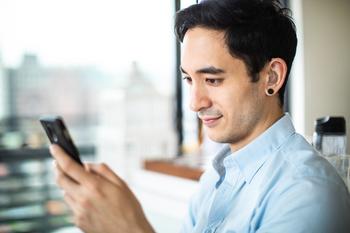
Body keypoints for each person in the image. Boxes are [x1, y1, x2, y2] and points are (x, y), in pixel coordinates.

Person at [50, 0, 350, 232]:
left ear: (271, 77)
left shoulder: (306, 194)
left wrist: (130, 228)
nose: (195, 103)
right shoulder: (214, 180)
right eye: (189, 80)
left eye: (213, 80)